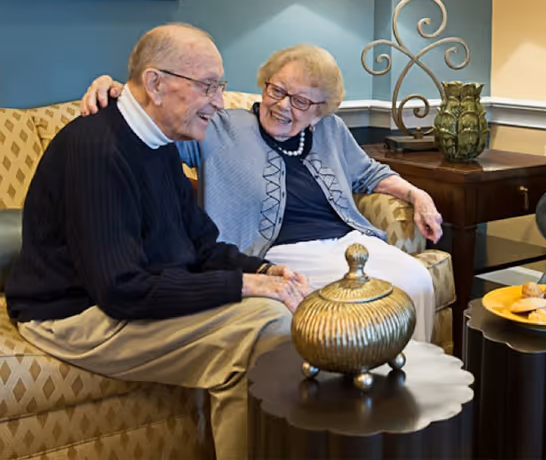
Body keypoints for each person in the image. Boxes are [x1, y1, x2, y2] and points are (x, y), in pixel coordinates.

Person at [5, 24, 312, 460]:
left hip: (129, 293)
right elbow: (120, 290)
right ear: (155, 83)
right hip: (74, 313)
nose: (220, 103)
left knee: (282, 310)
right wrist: (243, 287)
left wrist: (265, 273)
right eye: (208, 86)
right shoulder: (97, 150)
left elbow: (201, 246)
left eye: (219, 87)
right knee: (267, 326)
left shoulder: (160, 139)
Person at [81, 43, 442, 341]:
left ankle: (412, 384)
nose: (283, 106)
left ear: (319, 112)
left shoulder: (330, 131)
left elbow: (370, 174)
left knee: (416, 278)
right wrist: (117, 92)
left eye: (300, 102)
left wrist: (418, 196)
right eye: (277, 90)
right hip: (275, 251)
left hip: (349, 241)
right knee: (360, 296)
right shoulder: (220, 127)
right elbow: (152, 133)